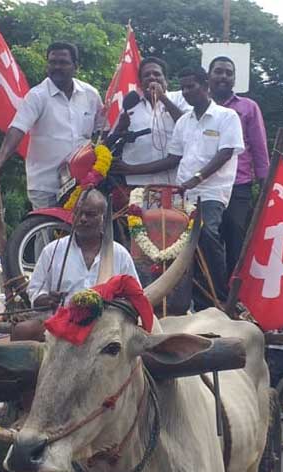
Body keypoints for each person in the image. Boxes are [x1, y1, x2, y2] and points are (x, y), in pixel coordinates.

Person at [112, 66, 244, 310]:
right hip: (182, 193)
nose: (186, 92)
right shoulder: (184, 121)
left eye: (191, 86)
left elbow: (226, 152)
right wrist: (132, 169)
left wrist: (198, 177)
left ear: (206, 86)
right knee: (172, 241)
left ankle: (222, 298)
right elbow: (173, 159)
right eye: (182, 88)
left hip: (212, 192)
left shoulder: (226, 116)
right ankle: (184, 300)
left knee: (206, 235)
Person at [0, 42, 103, 210]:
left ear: (76, 66)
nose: (57, 67)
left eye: (63, 63)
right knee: (46, 234)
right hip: (46, 184)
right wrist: (0, 159)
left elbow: (102, 130)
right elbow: (17, 129)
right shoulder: (37, 96)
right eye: (52, 62)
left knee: (81, 232)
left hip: (82, 182)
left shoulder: (91, 95)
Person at [207, 56, 270, 275]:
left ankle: (233, 295)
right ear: (209, 75)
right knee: (205, 236)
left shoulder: (248, 107)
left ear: (234, 79)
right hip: (204, 185)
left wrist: (265, 188)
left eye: (228, 73)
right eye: (218, 71)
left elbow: (260, 149)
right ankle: (211, 292)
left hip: (238, 185)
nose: (223, 76)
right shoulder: (196, 105)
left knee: (235, 235)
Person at [27, 189, 139, 309]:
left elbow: (135, 296)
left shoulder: (120, 254)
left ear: (104, 219)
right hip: (62, 322)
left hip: (108, 323)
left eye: (90, 214)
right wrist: (48, 300)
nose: (83, 219)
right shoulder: (52, 251)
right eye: (78, 213)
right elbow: (35, 292)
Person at [116, 56, 190, 187]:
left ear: (165, 79)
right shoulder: (130, 105)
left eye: (157, 74)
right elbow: (115, 139)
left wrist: (162, 98)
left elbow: (189, 128)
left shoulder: (180, 99)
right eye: (146, 75)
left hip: (174, 183)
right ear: (140, 82)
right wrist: (120, 128)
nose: (151, 77)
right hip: (137, 184)